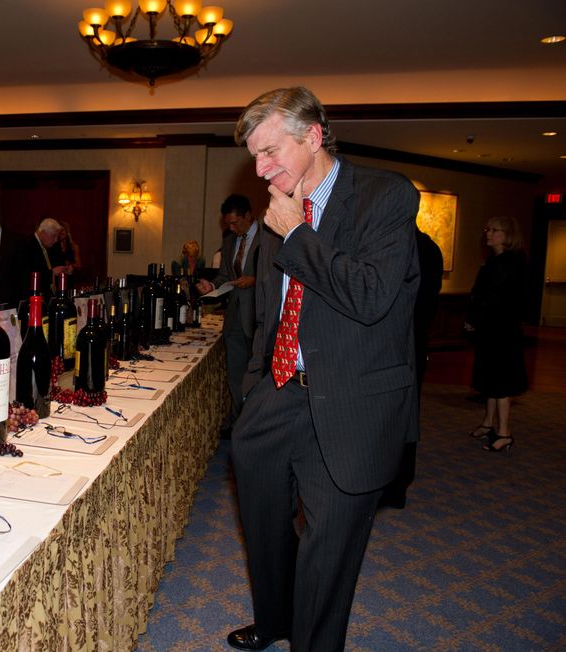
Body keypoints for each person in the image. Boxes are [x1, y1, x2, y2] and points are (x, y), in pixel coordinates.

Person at [227, 86, 420, 652]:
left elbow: (369, 296)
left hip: (351, 404)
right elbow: (268, 310)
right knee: (263, 531)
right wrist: (254, 388)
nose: (260, 170)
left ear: (312, 137)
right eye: (254, 157)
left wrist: (298, 235)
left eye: (270, 152)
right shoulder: (275, 214)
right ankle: (275, 619)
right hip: (277, 391)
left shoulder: (385, 198)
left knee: (327, 554)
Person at [380, 226, 444, 509]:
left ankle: (390, 484)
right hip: (415, 342)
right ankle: (398, 485)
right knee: (407, 413)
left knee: (392, 416)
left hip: (395, 344)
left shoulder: (398, 246)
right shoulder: (430, 248)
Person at [197, 194, 261, 438]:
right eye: (228, 224)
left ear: (248, 215)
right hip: (235, 316)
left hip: (258, 314)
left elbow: (277, 273)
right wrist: (212, 287)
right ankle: (238, 421)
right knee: (235, 374)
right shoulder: (228, 239)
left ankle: (253, 424)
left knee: (255, 375)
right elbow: (225, 276)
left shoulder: (268, 236)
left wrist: (254, 280)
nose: (232, 228)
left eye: (236, 223)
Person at [464, 215, 528, 452]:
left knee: (501, 382)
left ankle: (505, 432)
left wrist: (478, 318)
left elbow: (498, 300)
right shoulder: (495, 261)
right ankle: (489, 423)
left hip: (503, 332)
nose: (488, 233)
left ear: (507, 235)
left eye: (495, 230)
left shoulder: (512, 263)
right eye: (487, 228)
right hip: (491, 330)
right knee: (489, 380)